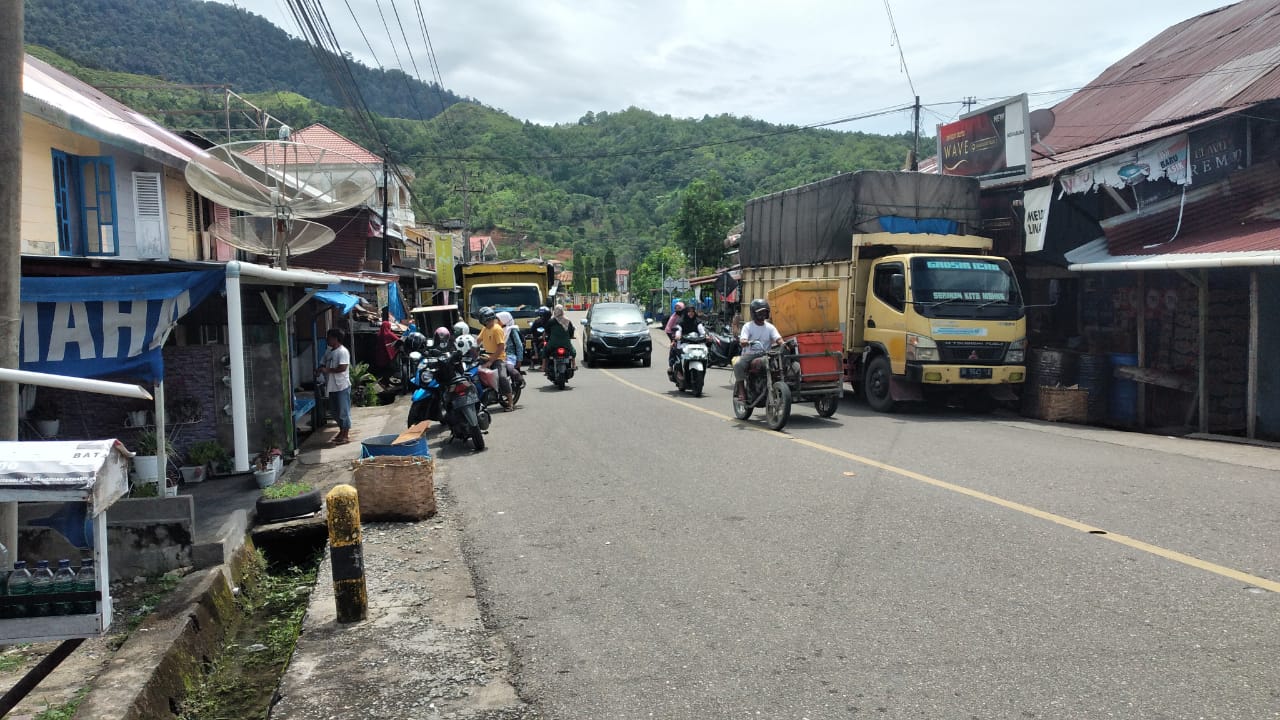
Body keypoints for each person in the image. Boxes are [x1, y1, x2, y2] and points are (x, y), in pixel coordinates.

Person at [734, 298, 783, 403]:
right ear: (753, 313)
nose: (763, 314)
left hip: (766, 353)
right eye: (760, 312)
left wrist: (783, 344)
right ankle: (741, 391)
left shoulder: (770, 327)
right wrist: (745, 341)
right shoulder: (748, 326)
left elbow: (778, 338)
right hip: (751, 354)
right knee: (738, 365)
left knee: (782, 362)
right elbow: (743, 339)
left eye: (765, 312)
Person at [317, 327, 352, 444]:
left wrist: (327, 370)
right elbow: (323, 361)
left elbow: (342, 368)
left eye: (329, 338)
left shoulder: (343, 351)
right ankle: (341, 431)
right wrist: (319, 369)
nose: (327, 340)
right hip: (331, 386)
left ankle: (345, 434)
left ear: (336, 339)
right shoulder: (329, 351)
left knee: (343, 411)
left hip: (341, 385)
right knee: (334, 411)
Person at [476, 307, 514, 411]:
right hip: (486, 356)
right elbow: (477, 341)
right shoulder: (485, 329)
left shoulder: (497, 329)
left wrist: (491, 361)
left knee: (502, 377)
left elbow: (501, 347)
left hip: (498, 358)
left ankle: (510, 403)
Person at [669, 303, 705, 374]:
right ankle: (672, 366)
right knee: (674, 348)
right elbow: (678, 330)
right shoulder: (681, 321)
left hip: (696, 342)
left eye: (692, 311)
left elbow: (702, 331)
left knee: (706, 351)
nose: (691, 313)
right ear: (686, 312)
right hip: (684, 342)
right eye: (689, 311)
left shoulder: (697, 321)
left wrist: (706, 336)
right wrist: (677, 336)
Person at [543, 304, 577, 372]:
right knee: (573, 352)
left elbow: (546, 332)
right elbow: (571, 332)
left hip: (553, 344)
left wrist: (544, 337)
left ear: (555, 311)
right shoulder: (567, 321)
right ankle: (573, 364)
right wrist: (571, 336)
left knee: (545, 351)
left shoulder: (551, 321)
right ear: (562, 311)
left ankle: (544, 366)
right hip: (566, 344)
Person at [498, 311, 525, 389]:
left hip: (510, 355)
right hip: (499, 354)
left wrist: (519, 360)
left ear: (504, 320)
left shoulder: (512, 330)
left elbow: (519, 345)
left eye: (499, 320)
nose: (497, 322)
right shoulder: (499, 330)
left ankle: (520, 379)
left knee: (509, 368)